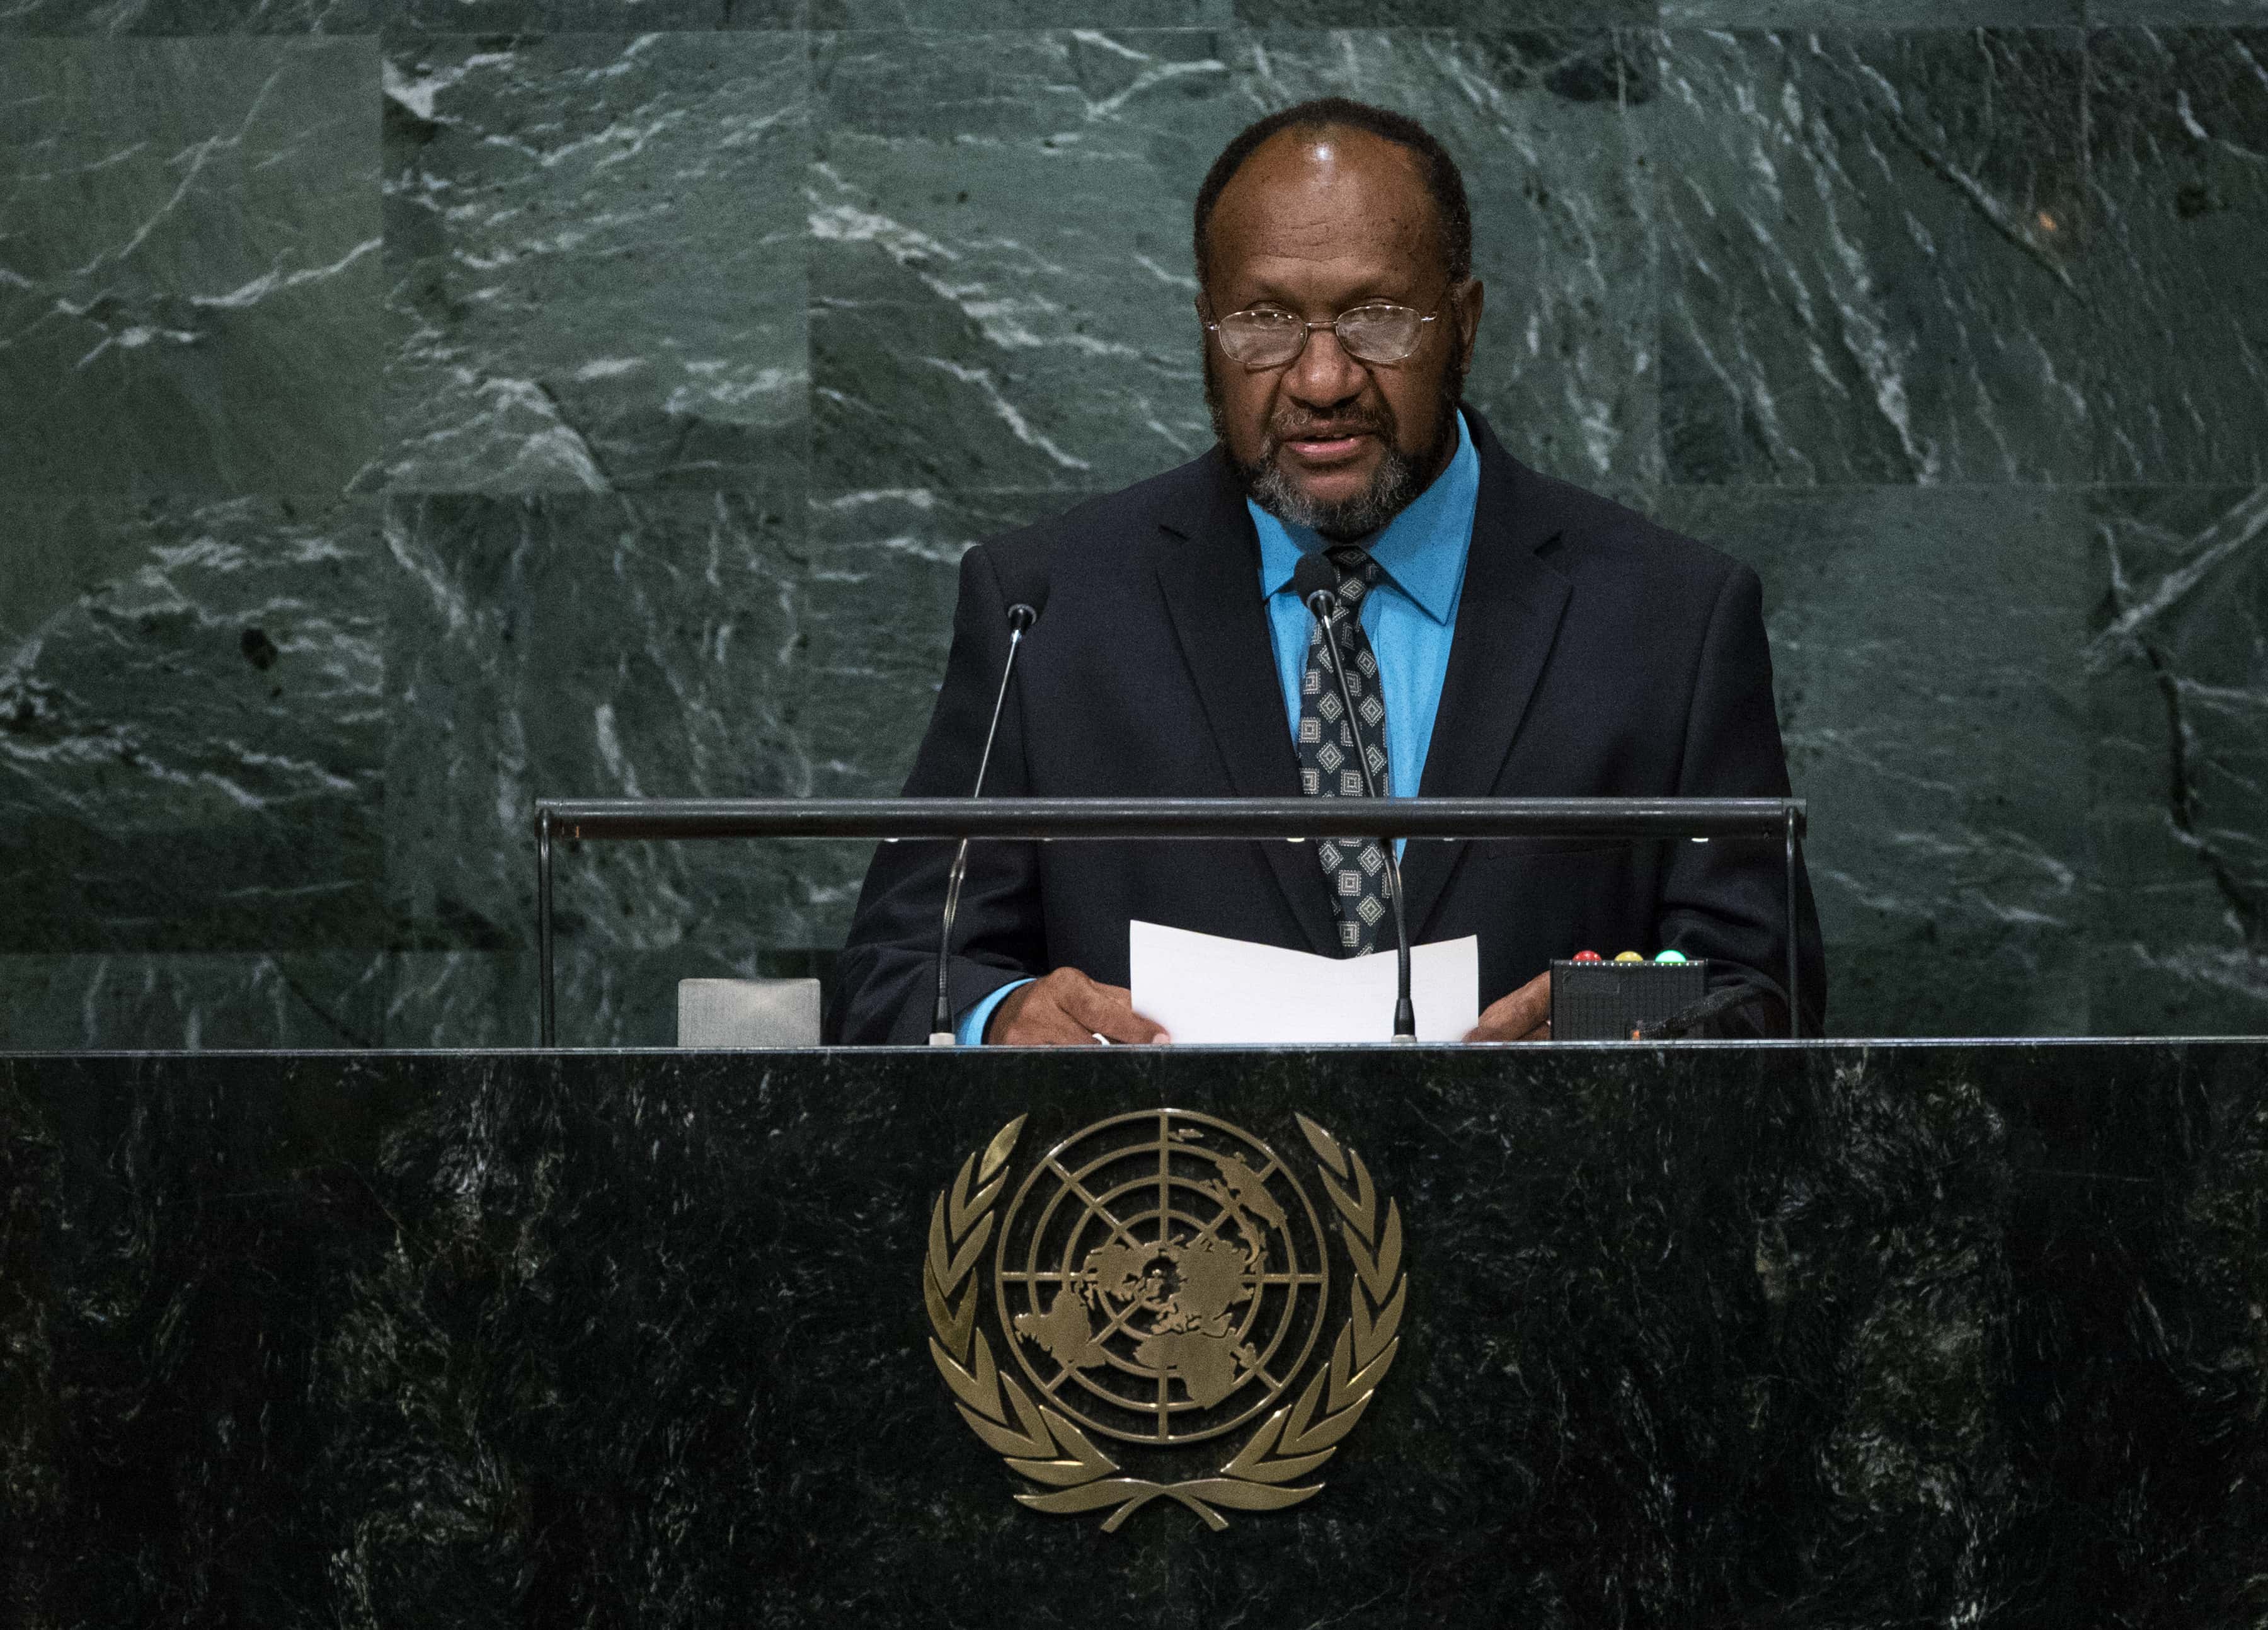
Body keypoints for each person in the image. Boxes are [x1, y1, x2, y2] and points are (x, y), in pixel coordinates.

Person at [836, 97, 1824, 1047]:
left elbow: (1761, 986)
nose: (1321, 380)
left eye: (1378, 319)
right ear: (1207, 332)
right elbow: (896, 967)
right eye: (1264, 323)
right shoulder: (1044, 608)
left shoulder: (1671, 619)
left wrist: (1613, 1018)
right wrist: (999, 1017)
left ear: (1464, 323)